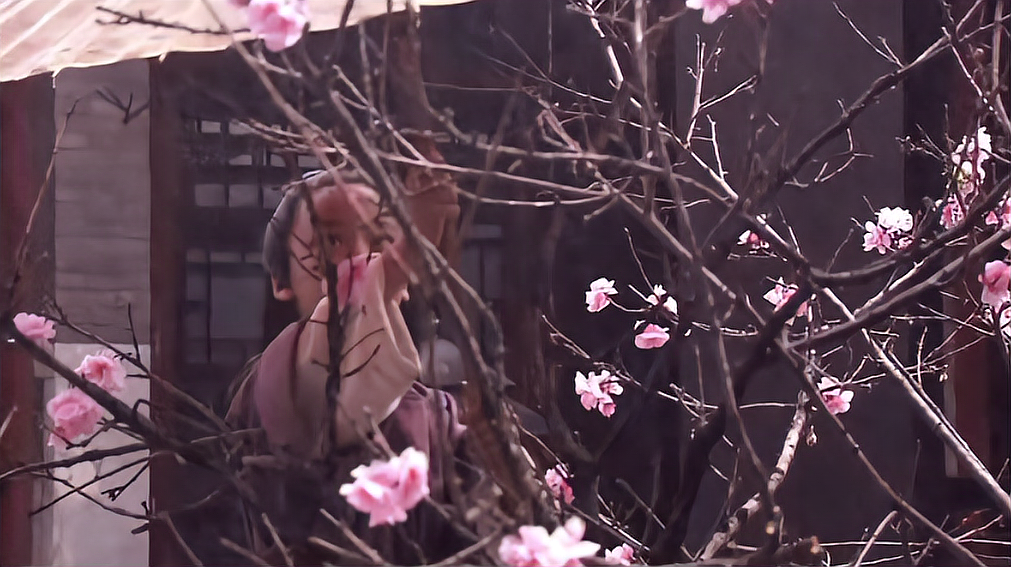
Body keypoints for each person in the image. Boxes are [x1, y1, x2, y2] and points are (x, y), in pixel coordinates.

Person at [225, 158, 471, 564]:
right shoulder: (274, 379)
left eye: (379, 243)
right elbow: (338, 327)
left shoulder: (440, 418)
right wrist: (411, 245)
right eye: (332, 242)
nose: (360, 262)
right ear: (281, 281)